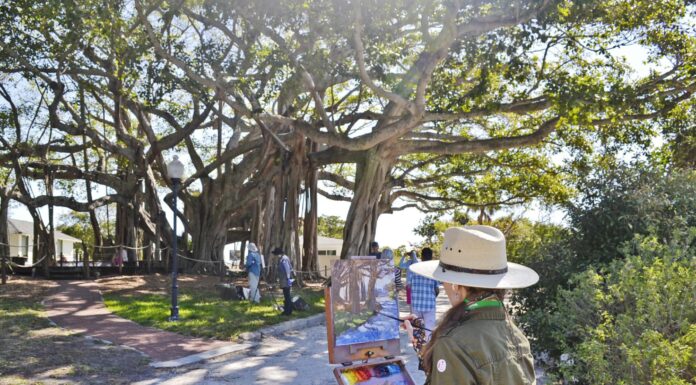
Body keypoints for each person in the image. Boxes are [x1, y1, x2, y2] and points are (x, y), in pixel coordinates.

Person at [404, 225, 539, 384]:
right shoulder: (516, 334)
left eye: (443, 279)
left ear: (456, 286)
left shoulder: (452, 343)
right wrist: (423, 347)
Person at [408, 247, 439, 337]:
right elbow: (436, 289)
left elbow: (409, 286)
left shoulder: (413, 269)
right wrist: (431, 297)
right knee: (429, 330)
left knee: (417, 330)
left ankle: (419, 348)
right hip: (429, 305)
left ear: (421, 257)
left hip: (416, 305)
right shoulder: (433, 270)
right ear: (431, 257)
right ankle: (429, 349)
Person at [273, 247, 294, 316]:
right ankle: (289, 310)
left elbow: (287, 269)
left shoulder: (283, 259)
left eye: (276, 254)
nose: (276, 256)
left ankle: (287, 312)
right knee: (287, 295)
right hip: (285, 279)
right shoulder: (284, 258)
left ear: (279, 254)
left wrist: (288, 279)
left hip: (286, 280)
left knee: (287, 295)